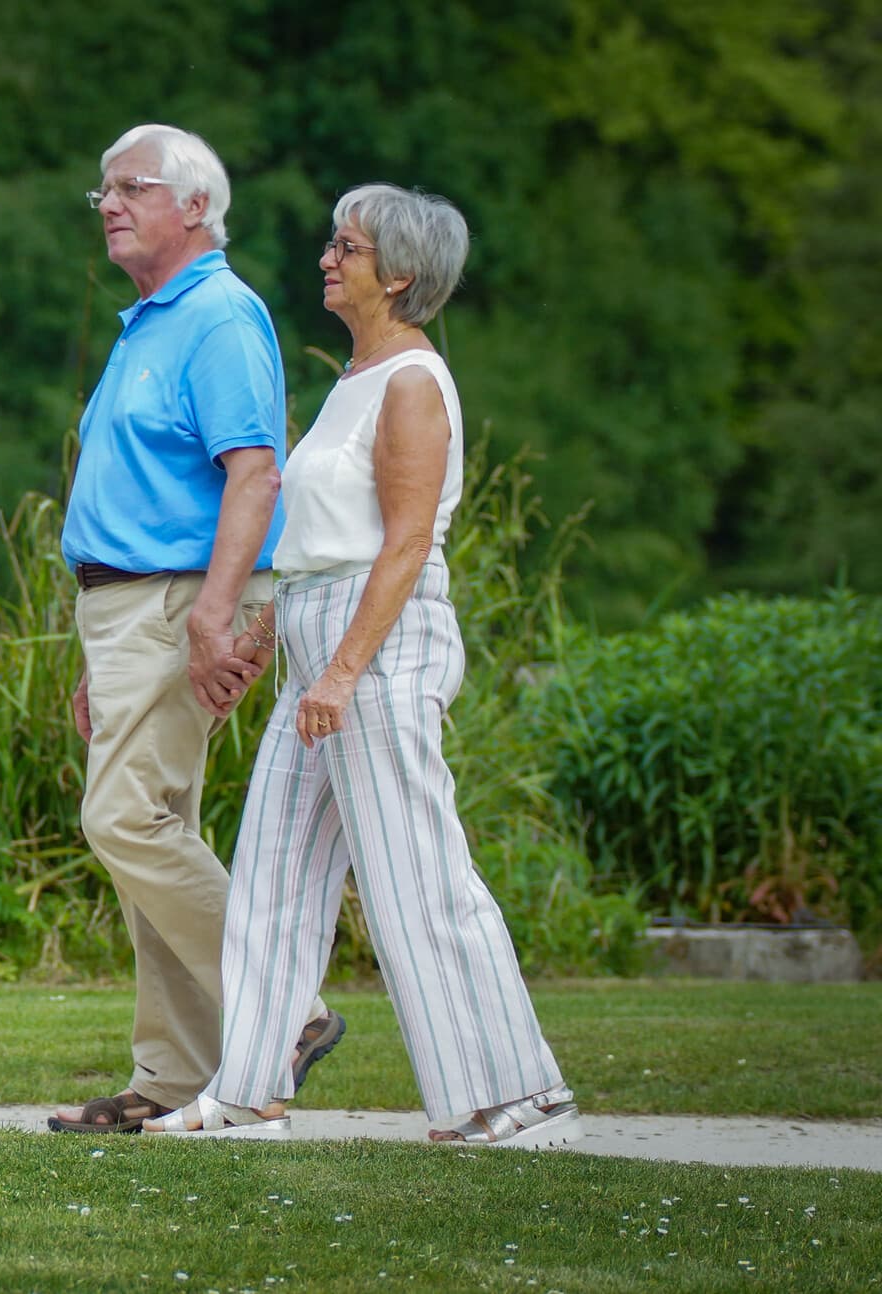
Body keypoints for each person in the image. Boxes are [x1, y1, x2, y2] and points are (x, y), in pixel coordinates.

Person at [145, 184, 577, 1145]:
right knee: (273, 872)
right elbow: (323, 538)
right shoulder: (357, 380)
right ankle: (250, 1091)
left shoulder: (414, 384)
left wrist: (340, 671)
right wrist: (269, 645)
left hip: (377, 645)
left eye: (348, 247)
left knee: (414, 872)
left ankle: (518, 1092)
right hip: (317, 633)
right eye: (333, 243)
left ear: (402, 275)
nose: (327, 259)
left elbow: (407, 543)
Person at [46, 124, 345, 1135]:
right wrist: (104, 651)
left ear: (196, 209)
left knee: (124, 822)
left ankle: (285, 1010)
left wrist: (216, 618)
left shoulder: (218, 316)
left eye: (131, 187)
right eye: (102, 191)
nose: (109, 204)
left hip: (178, 599)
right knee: (152, 832)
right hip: (130, 606)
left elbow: (254, 475)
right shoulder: (150, 322)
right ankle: (173, 1072)